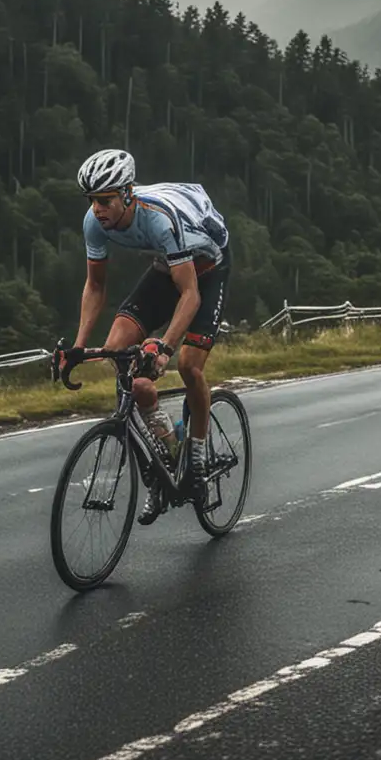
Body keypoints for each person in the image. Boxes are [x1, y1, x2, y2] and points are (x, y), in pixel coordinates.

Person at [56, 148, 231, 521]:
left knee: (188, 367)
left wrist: (165, 347)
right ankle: (163, 454)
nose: (98, 209)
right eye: (92, 201)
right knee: (116, 354)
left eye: (105, 200)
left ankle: (197, 457)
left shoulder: (159, 220)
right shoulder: (94, 222)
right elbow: (95, 287)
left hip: (208, 268)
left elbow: (190, 295)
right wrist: (78, 346)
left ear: (127, 194)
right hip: (168, 267)